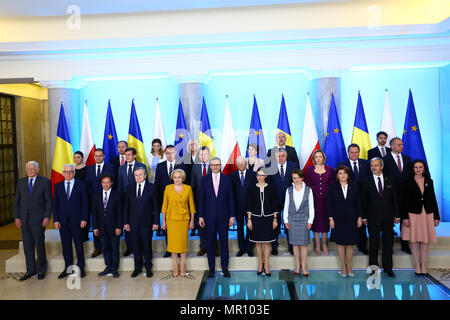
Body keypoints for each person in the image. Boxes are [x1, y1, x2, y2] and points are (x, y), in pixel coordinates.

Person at [361, 157, 400, 278]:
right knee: (373, 243)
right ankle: (373, 268)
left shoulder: (390, 179)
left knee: (388, 243)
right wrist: (364, 217)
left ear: (381, 166)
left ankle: (388, 268)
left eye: (376, 165)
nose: (374, 167)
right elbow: (363, 201)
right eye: (372, 165)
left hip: (388, 217)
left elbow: (395, 199)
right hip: (372, 218)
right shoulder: (365, 180)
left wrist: (397, 215)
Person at [14, 161, 52, 281]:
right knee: (27, 246)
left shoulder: (45, 182)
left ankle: (41, 270)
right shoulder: (21, 182)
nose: (29, 171)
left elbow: (48, 201)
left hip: (39, 220)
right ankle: (30, 271)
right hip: (24, 220)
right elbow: (17, 202)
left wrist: (47, 217)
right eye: (28, 169)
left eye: (32, 169)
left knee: (39, 245)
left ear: (37, 170)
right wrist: (17, 217)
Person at [199, 157, 235, 278]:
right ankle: (211, 268)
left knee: (224, 243)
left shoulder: (227, 179)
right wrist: (200, 216)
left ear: (220, 166)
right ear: (210, 166)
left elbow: (231, 198)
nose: (215, 166)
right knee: (210, 243)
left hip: (224, 217)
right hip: (209, 217)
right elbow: (202, 200)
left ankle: (225, 268)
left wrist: (232, 216)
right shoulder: (204, 180)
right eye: (213, 165)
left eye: (217, 164)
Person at [401, 160, 440, 275]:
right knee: (414, 240)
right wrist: (405, 217)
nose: (418, 169)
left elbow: (433, 199)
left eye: (420, 167)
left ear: (424, 168)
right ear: (412, 169)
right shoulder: (407, 182)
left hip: (427, 213)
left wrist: (436, 216)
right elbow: (404, 201)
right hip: (412, 214)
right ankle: (416, 265)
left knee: (425, 240)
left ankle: (424, 264)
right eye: (415, 167)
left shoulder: (429, 181)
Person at [53, 164, 89, 279]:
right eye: (66, 172)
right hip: (63, 221)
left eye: (70, 172)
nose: (68, 174)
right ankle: (68, 268)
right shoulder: (58, 186)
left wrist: (84, 218)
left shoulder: (81, 185)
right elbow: (55, 205)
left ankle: (81, 267)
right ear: (63, 173)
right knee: (66, 245)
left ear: (74, 173)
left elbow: (85, 204)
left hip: (77, 220)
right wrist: (56, 220)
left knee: (78, 244)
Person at [123, 167, 159, 278]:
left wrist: (156, 222)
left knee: (147, 246)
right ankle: (137, 268)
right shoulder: (129, 188)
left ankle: (148, 268)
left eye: (140, 175)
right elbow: (126, 207)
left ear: (145, 175)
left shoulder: (152, 188)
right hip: (133, 223)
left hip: (147, 223)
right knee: (136, 246)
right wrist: (126, 222)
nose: (138, 177)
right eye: (136, 175)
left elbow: (156, 207)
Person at [327, 166, 362, 277]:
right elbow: (330, 204)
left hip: (352, 219)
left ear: (348, 175)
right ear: (337, 175)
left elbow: (358, 203)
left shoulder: (354, 186)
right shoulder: (333, 187)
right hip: (338, 219)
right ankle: (342, 266)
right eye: (340, 173)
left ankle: (349, 266)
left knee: (350, 244)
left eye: (345, 173)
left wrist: (360, 217)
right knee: (341, 244)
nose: (342, 175)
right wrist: (331, 218)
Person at [161, 169, 196, 277]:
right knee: (173, 243)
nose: (177, 179)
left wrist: (192, 221)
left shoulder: (188, 188)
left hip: (184, 220)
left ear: (183, 178)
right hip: (171, 220)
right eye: (175, 177)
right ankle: (175, 266)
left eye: (179, 177)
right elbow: (164, 206)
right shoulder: (168, 188)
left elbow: (192, 206)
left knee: (182, 243)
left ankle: (182, 266)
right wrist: (163, 221)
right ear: (172, 178)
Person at [338, 143, 371, 255]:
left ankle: (362, 245)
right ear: (348, 153)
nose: (354, 154)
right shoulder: (342, 164)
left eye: (356, 152)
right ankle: (351, 243)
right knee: (351, 223)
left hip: (365, 197)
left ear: (359, 152)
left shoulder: (366, 163)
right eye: (351, 152)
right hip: (349, 198)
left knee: (362, 222)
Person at [154, 145, 186, 256]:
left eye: (171, 152)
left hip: (180, 202)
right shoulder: (160, 166)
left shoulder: (182, 165)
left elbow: (186, 184)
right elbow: (157, 185)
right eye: (167, 153)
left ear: (175, 153)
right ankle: (169, 248)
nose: (170, 155)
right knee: (167, 226)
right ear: (165, 153)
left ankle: (180, 248)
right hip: (166, 202)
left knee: (179, 227)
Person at [382, 137, 413, 254]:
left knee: (405, 221)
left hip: (406, 196)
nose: (402, 146)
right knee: (389, 221)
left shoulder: (407, 159)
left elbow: (410, 177)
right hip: (390, 196)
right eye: (399, 144)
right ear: (392, 146)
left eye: (402, 144)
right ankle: (389, 246)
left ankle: (405, 245)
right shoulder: (384, 160)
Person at [246, 168, 278, 276]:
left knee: (268, 242)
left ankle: (267, 265)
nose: (260, 177)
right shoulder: (251, 188)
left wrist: (275, 219)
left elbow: (275, 204)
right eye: (258, 175)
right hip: (255, 218)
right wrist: (249, 220)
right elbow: (249, 205)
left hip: (268, 218)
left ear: (265, 176)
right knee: (258, 242)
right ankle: (260, 264)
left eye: (262, 175)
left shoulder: (271, 188)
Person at [266, 147, 298, 255]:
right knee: (275, 223)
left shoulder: (293, 166)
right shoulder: (270, 167)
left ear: (286, 156)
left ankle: (291, 245)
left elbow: (296, 182)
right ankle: (274, 246)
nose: (280, 158)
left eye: (283, 156)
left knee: (290, 223)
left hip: (290, 199)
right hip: (275, 200)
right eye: (278, 156)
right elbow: (268, 184)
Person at [284, 169, 315, 277]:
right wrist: (285, 220)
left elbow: (312, 207)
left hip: (304, 220)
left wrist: (310, 220)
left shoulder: (308, 190)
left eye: (298, 177)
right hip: (292, 220)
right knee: (295, 245)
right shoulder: (289, 190)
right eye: (294, 178)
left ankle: (304, 267)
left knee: (303, 245)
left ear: (302, 178)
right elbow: (286, 206)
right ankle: (297, 266)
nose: (296, 180)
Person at [117, 147, 147, 256]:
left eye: (129, 154)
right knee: (127, 223)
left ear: (134, 155)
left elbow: (145, 184)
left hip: (138, 199)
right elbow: (119, 185)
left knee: (139, 223)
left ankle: (141, 247)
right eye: (126, 155)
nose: (127, 157)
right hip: (126, 200)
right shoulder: (121, 168)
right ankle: (129, 247)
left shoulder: (141, 166)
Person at [86, 148, 115, 258]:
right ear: (94, 157)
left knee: (108, 222)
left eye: (100, 155)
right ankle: (97, 248)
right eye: (96, 156)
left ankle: (108, 247)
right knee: (96, 223)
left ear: (104, 156)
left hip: (108, 198)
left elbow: (113, 182)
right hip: (95, 200)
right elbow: (87, 185)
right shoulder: (89, 169)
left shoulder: (110, 167)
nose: (98, 157)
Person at [304, 149, 334, 256]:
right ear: (313, 159)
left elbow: (332, 185)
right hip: (314, 200)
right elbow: (306, 185)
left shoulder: (330, 169)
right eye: (316, 157)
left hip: (326, 200)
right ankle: (317, 245)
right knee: (316, 221)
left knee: (325, 222)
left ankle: (324, 244)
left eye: (320, 157)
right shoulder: (309, 169)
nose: (318, 159)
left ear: (323, 158)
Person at [92, 173, 122, 278]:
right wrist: (95, 227)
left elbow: (119, 212)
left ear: (111, 183)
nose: (105, 184)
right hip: (101, 227)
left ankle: (115, 268)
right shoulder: (96, 195)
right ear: (101, 183)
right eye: (103, 182)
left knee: (114, 248)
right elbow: (94, 212)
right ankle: (108, 266)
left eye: (108, 182)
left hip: (114, 227)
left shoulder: (117, 195)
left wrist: (119, 226)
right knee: (105, 248)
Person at [230, 157, 256, 257]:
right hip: (237, 207)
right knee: (239, 228)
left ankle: (249, 248)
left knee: (250, 228)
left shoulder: (253, 174)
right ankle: (241, 248)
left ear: (246, 163)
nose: (241, 165)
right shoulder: (232, 176)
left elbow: (254, 191)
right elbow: (231, 193)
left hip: (250, 207)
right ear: (237, 165)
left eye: (242, 163)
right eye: (239, 164)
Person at [191, 146, 212, 256]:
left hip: (213, 203)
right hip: (199, 203)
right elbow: (193, 187)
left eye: (205, 154)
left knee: (213, 226)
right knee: (201, 226)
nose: (203, 156)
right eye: (201, 154)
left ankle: (213, 247)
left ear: (209, 155)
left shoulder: (214, 166)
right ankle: (203, 247)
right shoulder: (195, 168)